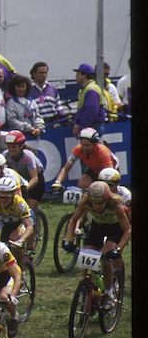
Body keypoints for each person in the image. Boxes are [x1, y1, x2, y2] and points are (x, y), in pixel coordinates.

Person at [63, 181, 130, 310]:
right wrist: (68, 241)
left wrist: (118, 249)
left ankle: (109, 293)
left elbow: (127, 230)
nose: (97, 206)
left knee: (105, 257)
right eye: (94, 203)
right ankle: (87, 288)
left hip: (115, 229)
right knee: (86, 256)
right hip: (97, 226)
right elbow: (73, 220)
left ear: (107, 200)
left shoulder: (115, 205)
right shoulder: (86, 201)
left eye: (100, 203)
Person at [0, 176, 35, 265]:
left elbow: (29, 227)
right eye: (0, 197)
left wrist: (21, 241)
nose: (2, 200)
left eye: (6, 197)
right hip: (5, 221)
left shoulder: (20, 203)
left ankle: (21, 271)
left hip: (21, 221)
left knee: (14, 240)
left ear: (13, 195)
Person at [52, 128, 118, 190]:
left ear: (94, 144)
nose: (84, 148)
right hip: (94, 169)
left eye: (87, 145)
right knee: (82, 184)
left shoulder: (102, 151)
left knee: (104, 190)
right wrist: (57, 182)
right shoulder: (78, 149)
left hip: (109, 171)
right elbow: (66, 168)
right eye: (82, 144)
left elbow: (110, 171)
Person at [3, 131, 45, 210]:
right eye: (9, 147)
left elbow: (35, 178)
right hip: (20, 180)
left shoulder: (28, 156)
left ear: (21, 146)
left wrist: (24, 189)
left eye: (14, 147)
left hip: (35, 181)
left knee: (29, 210)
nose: (11, 150)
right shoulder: (5, 155)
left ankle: (33, 220)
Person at [72, 63, 108, 136]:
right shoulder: (87, 88)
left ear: (84, 75)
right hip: (91, 125)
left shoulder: (91, 89)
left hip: (92, 126)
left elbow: (91, 110)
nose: (76, 76)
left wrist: (80, 126)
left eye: (78, 73)